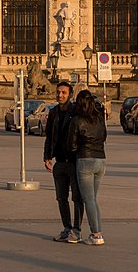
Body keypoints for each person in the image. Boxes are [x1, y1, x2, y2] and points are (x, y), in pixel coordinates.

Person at [43, 81, 84, 243]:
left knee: (77, 198)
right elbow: (49, 137)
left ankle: (77, 230)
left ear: (70, 94)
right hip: (59, 161)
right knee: (61, 198)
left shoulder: (76, 112)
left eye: (64, 93)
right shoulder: (53, 113)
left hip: (74, 161)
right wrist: (47, 157)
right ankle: (67, 228)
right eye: (58, 92)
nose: (60, 95)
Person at [68, 89, 107, 246]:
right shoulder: (99, 119)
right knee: (93, 199)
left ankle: (96, 234)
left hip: (85, 160)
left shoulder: (77, 121)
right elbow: (104, 136)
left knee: (88, 199)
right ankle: (98, 232)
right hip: (101, 160)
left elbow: (71, 145)